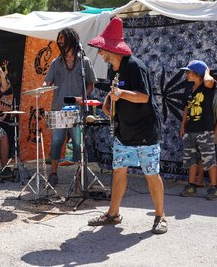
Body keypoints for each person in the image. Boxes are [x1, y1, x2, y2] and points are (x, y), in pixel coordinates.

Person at [86, 17, 167, 234]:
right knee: (119, 171)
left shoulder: (135, 66)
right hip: (124, 131)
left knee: (151, 174)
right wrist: (108, 104)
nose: (100, 53)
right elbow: (114, 93)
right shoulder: (113, 69)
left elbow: (143, 98)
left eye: (103, 49)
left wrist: (120, 94)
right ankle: (113, 214)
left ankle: (160, 216)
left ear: (113, 49)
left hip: (145, 132)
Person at [43, 27, 96, 187]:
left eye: (62, 39)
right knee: (56, 142)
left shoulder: (84, 62)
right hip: (58, 109)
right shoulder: (55, 62)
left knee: (79, 144)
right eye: (58, 39)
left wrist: (83, 98)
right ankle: (53, 173)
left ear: (71, 40)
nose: (59, 42)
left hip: (77, 110)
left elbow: (91, 84)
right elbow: (48, 81)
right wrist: (44, 86)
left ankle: (81, 174)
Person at [179, 60, 217, 200]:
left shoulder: (208, 87)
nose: (186, 74)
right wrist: (183, 126)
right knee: (191, 160)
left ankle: (214, 188)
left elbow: (209, 80)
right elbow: (186, 108)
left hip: (204, 130)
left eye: (189, 71)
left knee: (209, 160)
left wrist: (206, 71)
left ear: (197, 73)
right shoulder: (189, 89)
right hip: (190, 130)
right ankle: (191, 186)